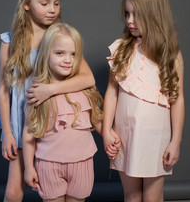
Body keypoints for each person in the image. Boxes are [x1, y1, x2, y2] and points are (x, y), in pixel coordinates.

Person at [0, 0, 96, 202]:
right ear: (26, 4)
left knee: (54, 186)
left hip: (50, 122)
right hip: (22, 122)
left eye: (57, 3)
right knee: (13, 189)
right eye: (45, 3)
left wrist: (48, 91)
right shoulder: (10, 42)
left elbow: (88, 78)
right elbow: (4, 90)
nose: (52, 9)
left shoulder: (57, 38)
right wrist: (8, 133)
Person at [102, 0, 185, 202]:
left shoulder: (170, 56)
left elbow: (177, 100)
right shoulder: (122, 50)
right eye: (127, 13)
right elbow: (112, 92)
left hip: (155, 137)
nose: (129, 20)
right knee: (131, 196)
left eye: (136, 15)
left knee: (152, 197)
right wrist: (106, 129)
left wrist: (175, 141)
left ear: (154, 15)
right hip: (125, 134)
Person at [22, 23, 119, 202]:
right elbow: (29, 134)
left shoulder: (83, 88)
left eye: (73, 54)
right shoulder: (38, 94)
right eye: (60, 53)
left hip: (81, 163)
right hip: (48, 164)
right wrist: (29, 167)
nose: (68, 60)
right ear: (46, 54)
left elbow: (95, 119)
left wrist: (108, 134)